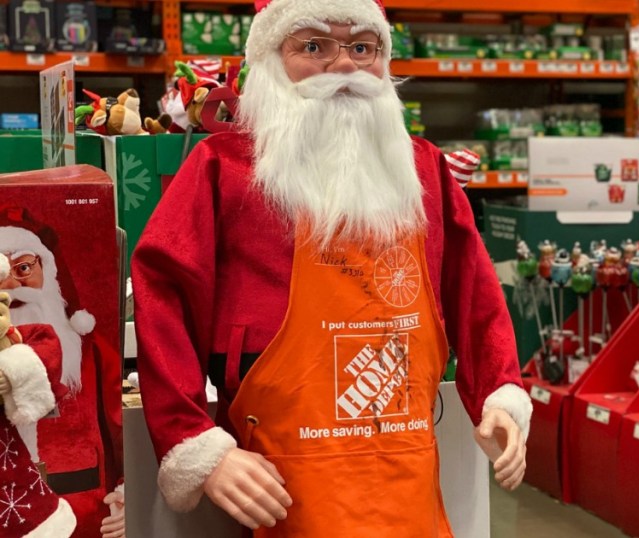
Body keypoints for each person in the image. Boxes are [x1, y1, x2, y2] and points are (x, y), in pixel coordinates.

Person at [131, 0, 531, 535]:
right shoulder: (221, 171)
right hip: (275, 480)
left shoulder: (422, 170)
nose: (344, 66)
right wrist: (196, 444)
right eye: (314, 46)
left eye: (363, 47)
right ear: (271, 59)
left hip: (405, 467)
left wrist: (496, 392)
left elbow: (475, 293)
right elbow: (163, 298)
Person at [0, 206, 125, 538]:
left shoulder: (89, 352)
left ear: (49, 273)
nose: (12, 286)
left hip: (88, 522)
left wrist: (131, 495)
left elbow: (120, 430)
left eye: (24, 267)